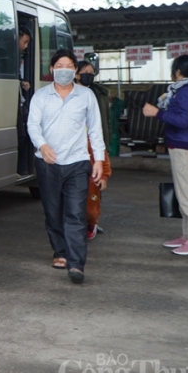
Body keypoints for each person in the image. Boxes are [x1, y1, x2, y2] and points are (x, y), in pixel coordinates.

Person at [27, 49, 105, 284]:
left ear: (75, 71)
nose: (64, 70)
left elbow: (95, 129)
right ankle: (59, 251)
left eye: (69, 66)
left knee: (76, 213)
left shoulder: (86, 96)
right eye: (59, 66)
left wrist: (98, 159)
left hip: (77, 162)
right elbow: (33, 125)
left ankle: (76, 263)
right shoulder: (40, 96)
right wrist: (42, 146)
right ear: (52, 69)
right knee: (53, 212)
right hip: (47, 163)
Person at [142, 55, 188, 256]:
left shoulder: (186, 92)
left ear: (178, 71)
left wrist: (157, 113)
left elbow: (183, 120)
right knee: (184, 193)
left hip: (184, 148)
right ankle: (187, 235)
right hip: (183, 145)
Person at [76, 60, 112, 239]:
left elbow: (105, 120)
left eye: (92, 72)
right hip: (76, 144)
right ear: (77, 75)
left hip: (95, 142)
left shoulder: (100, 93)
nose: (89, 75)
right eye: (85, 72)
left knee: (94, 187)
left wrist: (105, 141)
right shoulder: (70, 93)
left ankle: (92, 221)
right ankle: (79, 222)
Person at [16, 26, 34, 175]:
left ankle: (21, 167)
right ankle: (18, 167)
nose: (26, 46)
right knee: (21, 134)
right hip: (14, 103)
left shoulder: (16, 57)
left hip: (19, 102)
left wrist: (22, 82)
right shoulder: (6, 56)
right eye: (25, 42)